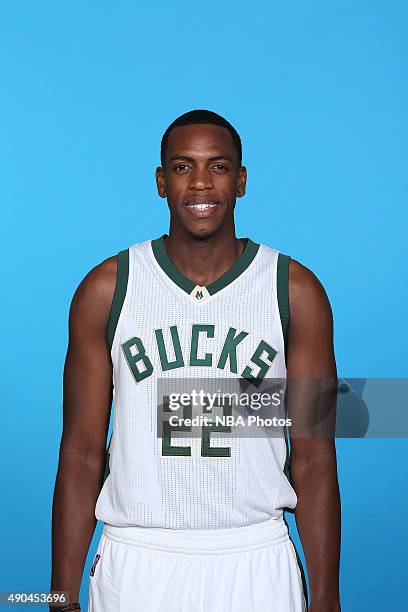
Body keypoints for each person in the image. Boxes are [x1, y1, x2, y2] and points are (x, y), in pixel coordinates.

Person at [50, 109, 341, 612]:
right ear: (161, 182)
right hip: (138, 557)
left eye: (219, 166)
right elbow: (80, 450)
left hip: (256, 555)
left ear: (242, 180)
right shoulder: (107, 289)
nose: (201, 183)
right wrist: (59, 594)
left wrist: (327, 595)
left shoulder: (294, 290)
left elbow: (314, 456)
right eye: (184, 167)